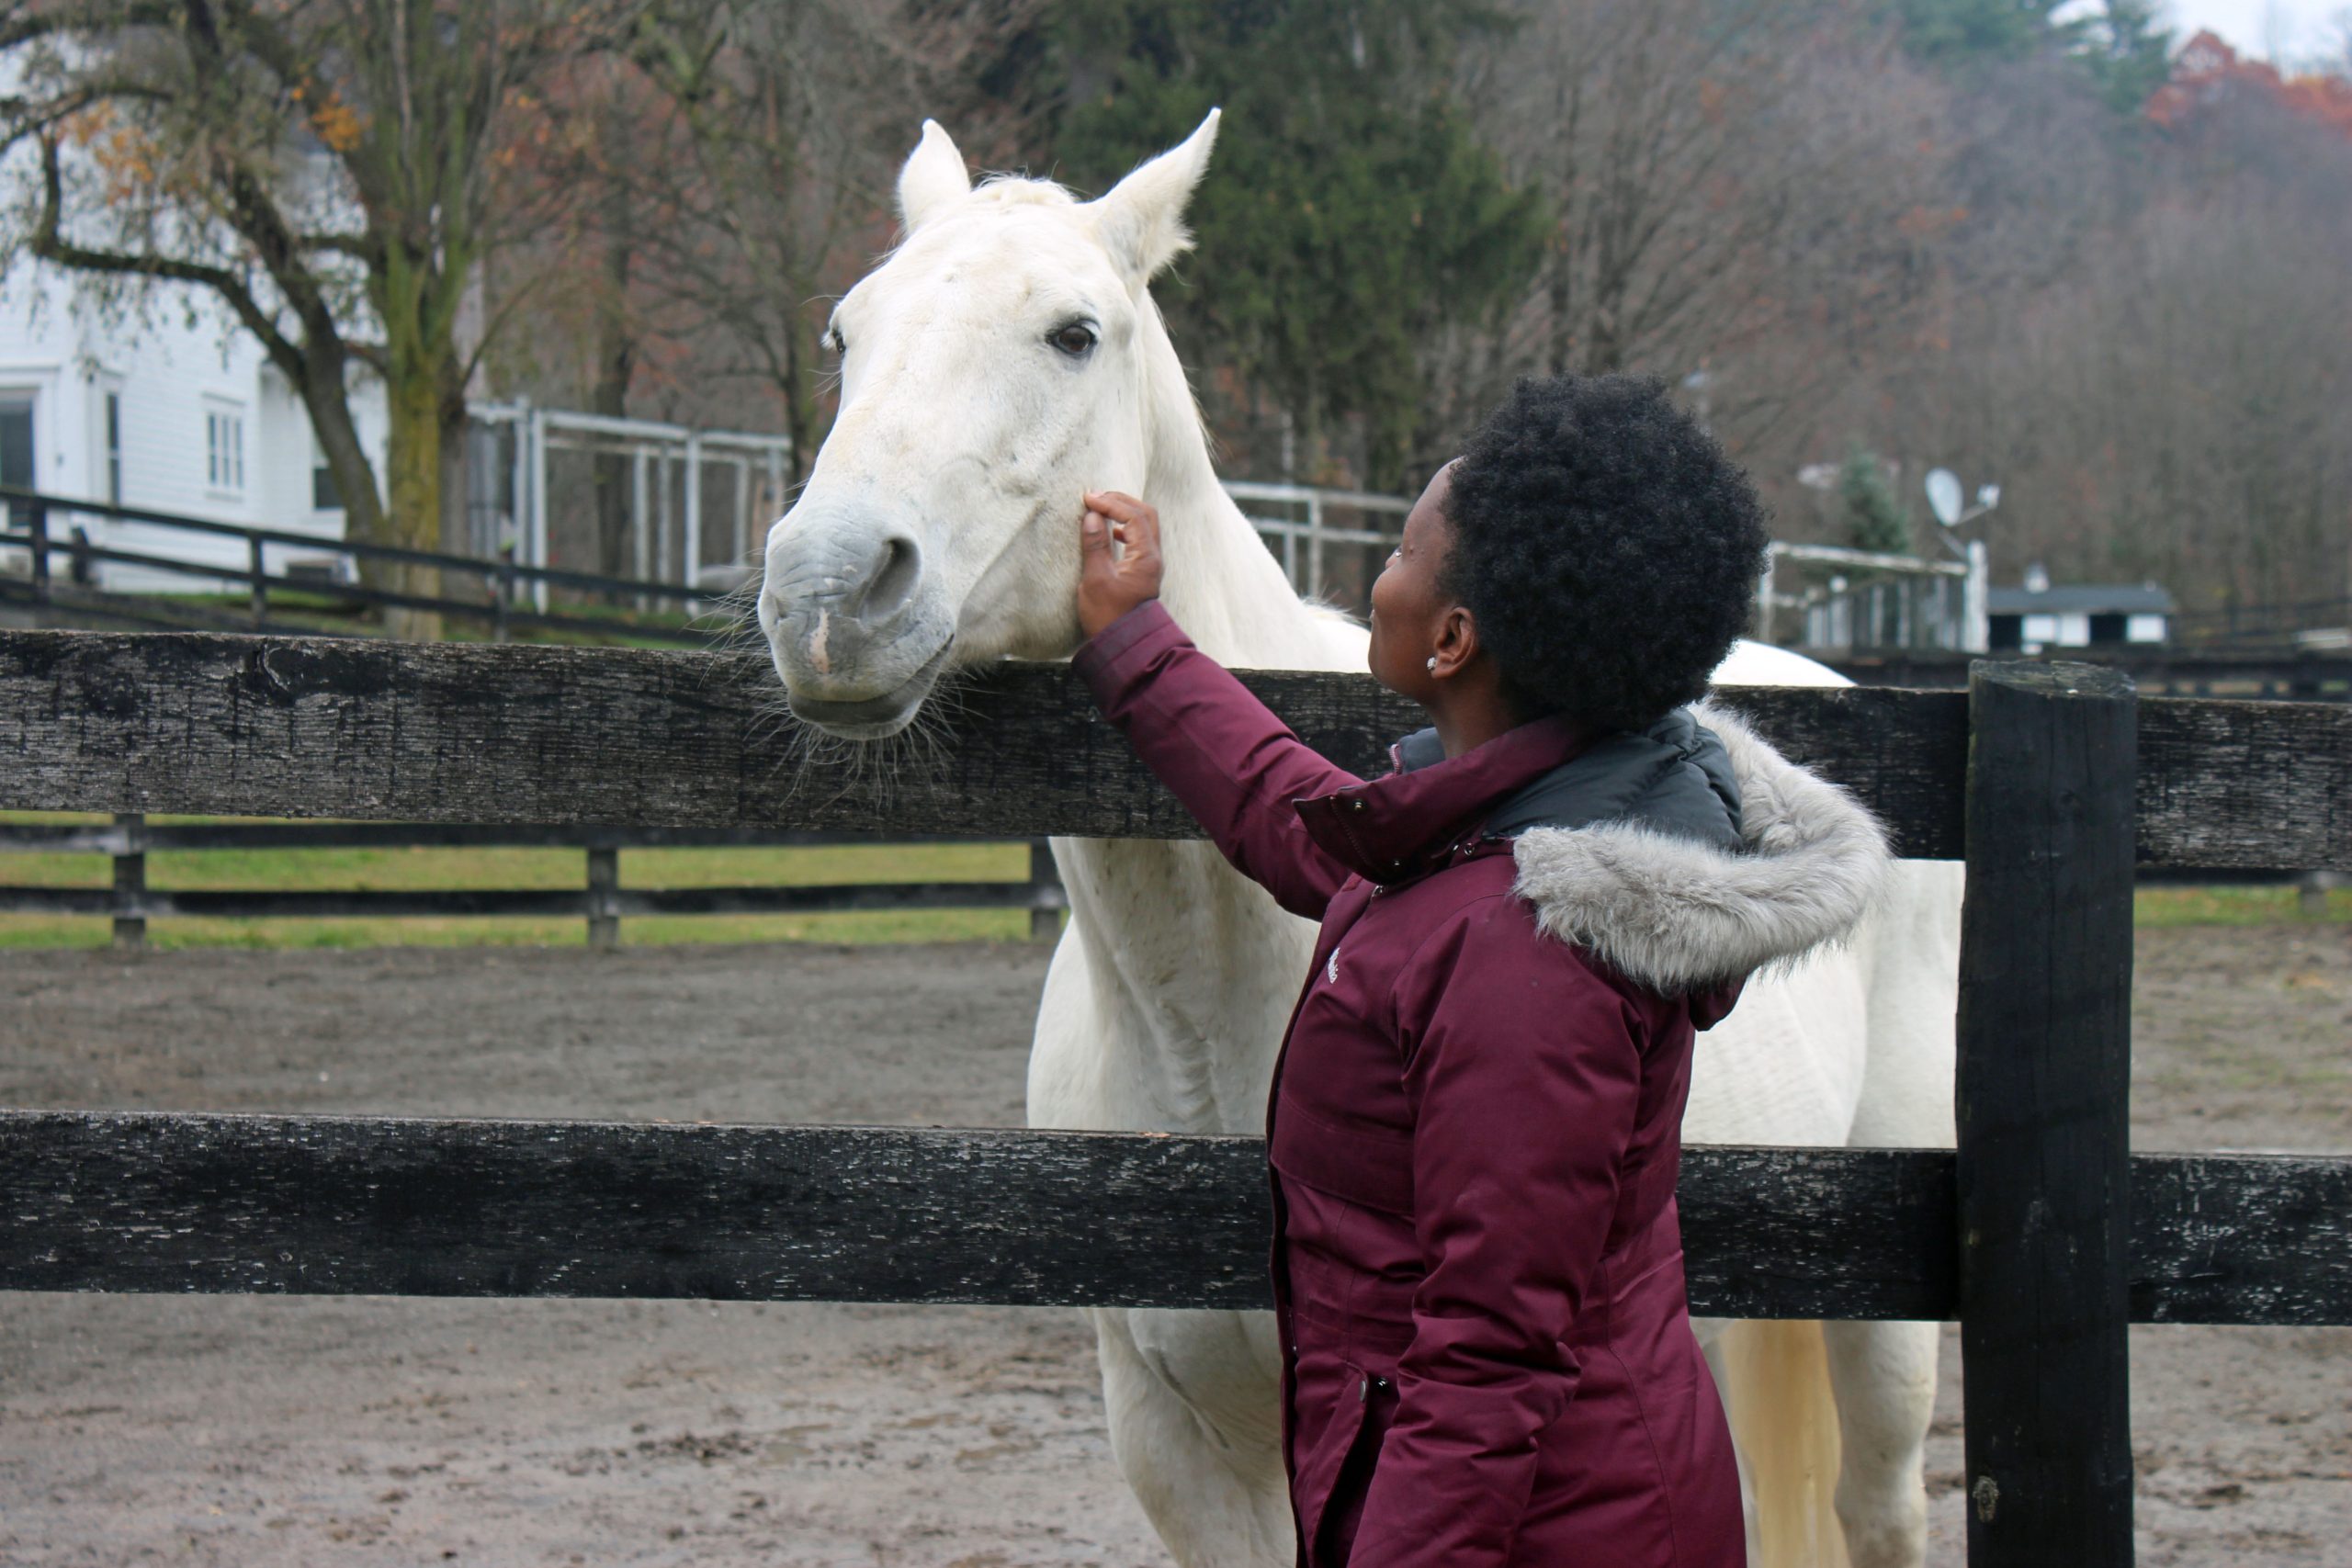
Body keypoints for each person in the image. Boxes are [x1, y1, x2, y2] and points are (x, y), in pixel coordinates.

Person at [1069, 375, 1892, 1567]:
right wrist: (1137, 644)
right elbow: (1305, 825)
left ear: (1453, 641)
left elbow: (1486, 1368)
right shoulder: (1502, 827)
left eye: (1403, 551)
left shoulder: (1530, 966)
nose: (1379, 576)